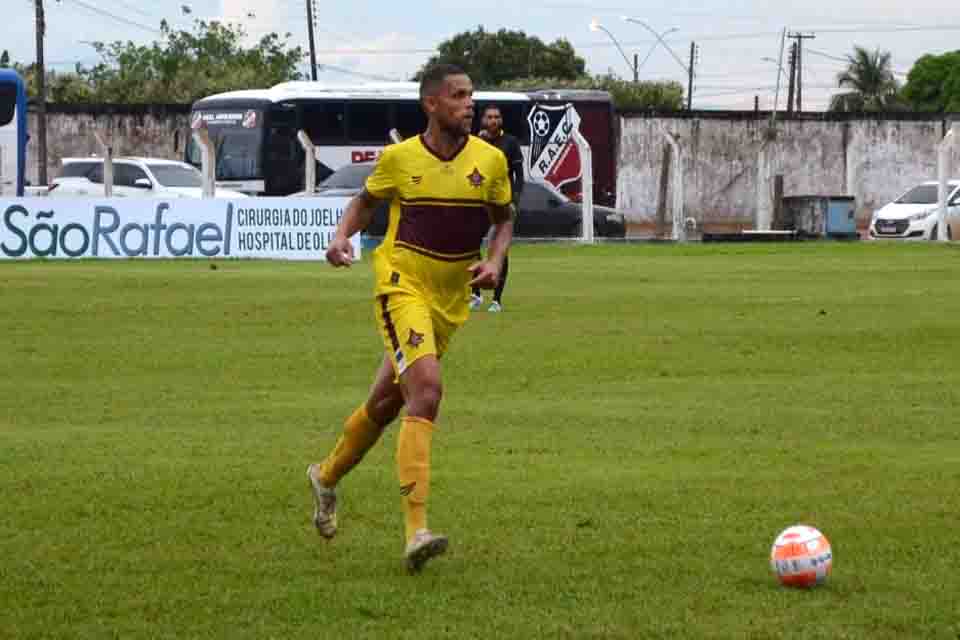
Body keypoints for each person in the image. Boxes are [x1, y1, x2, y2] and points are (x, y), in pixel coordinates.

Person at [306, 64, 514, 574]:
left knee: (384, 403)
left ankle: (326, 477)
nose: (470, 104)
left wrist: (494, 260)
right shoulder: (400, 159)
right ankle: (416, 531)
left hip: (450, 297)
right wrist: (341, 238)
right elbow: (365, 201)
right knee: (427, 390)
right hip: (402, 284)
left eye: (471, 95)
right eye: (459, 96)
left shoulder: (490, 161)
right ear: (432, 104)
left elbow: (504, 220)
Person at [469, 104, 524, 313]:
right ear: (483, 120)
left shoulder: (510, 143)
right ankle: (475, 294)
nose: (493, 120)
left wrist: (514, 201)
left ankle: (496, 300)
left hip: (501, 204)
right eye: (489, 117)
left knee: (499, 250)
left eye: (496, 117)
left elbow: (520, 176)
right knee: (471, 247)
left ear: (501, 120)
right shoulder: (476, 142)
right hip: (478, 203)